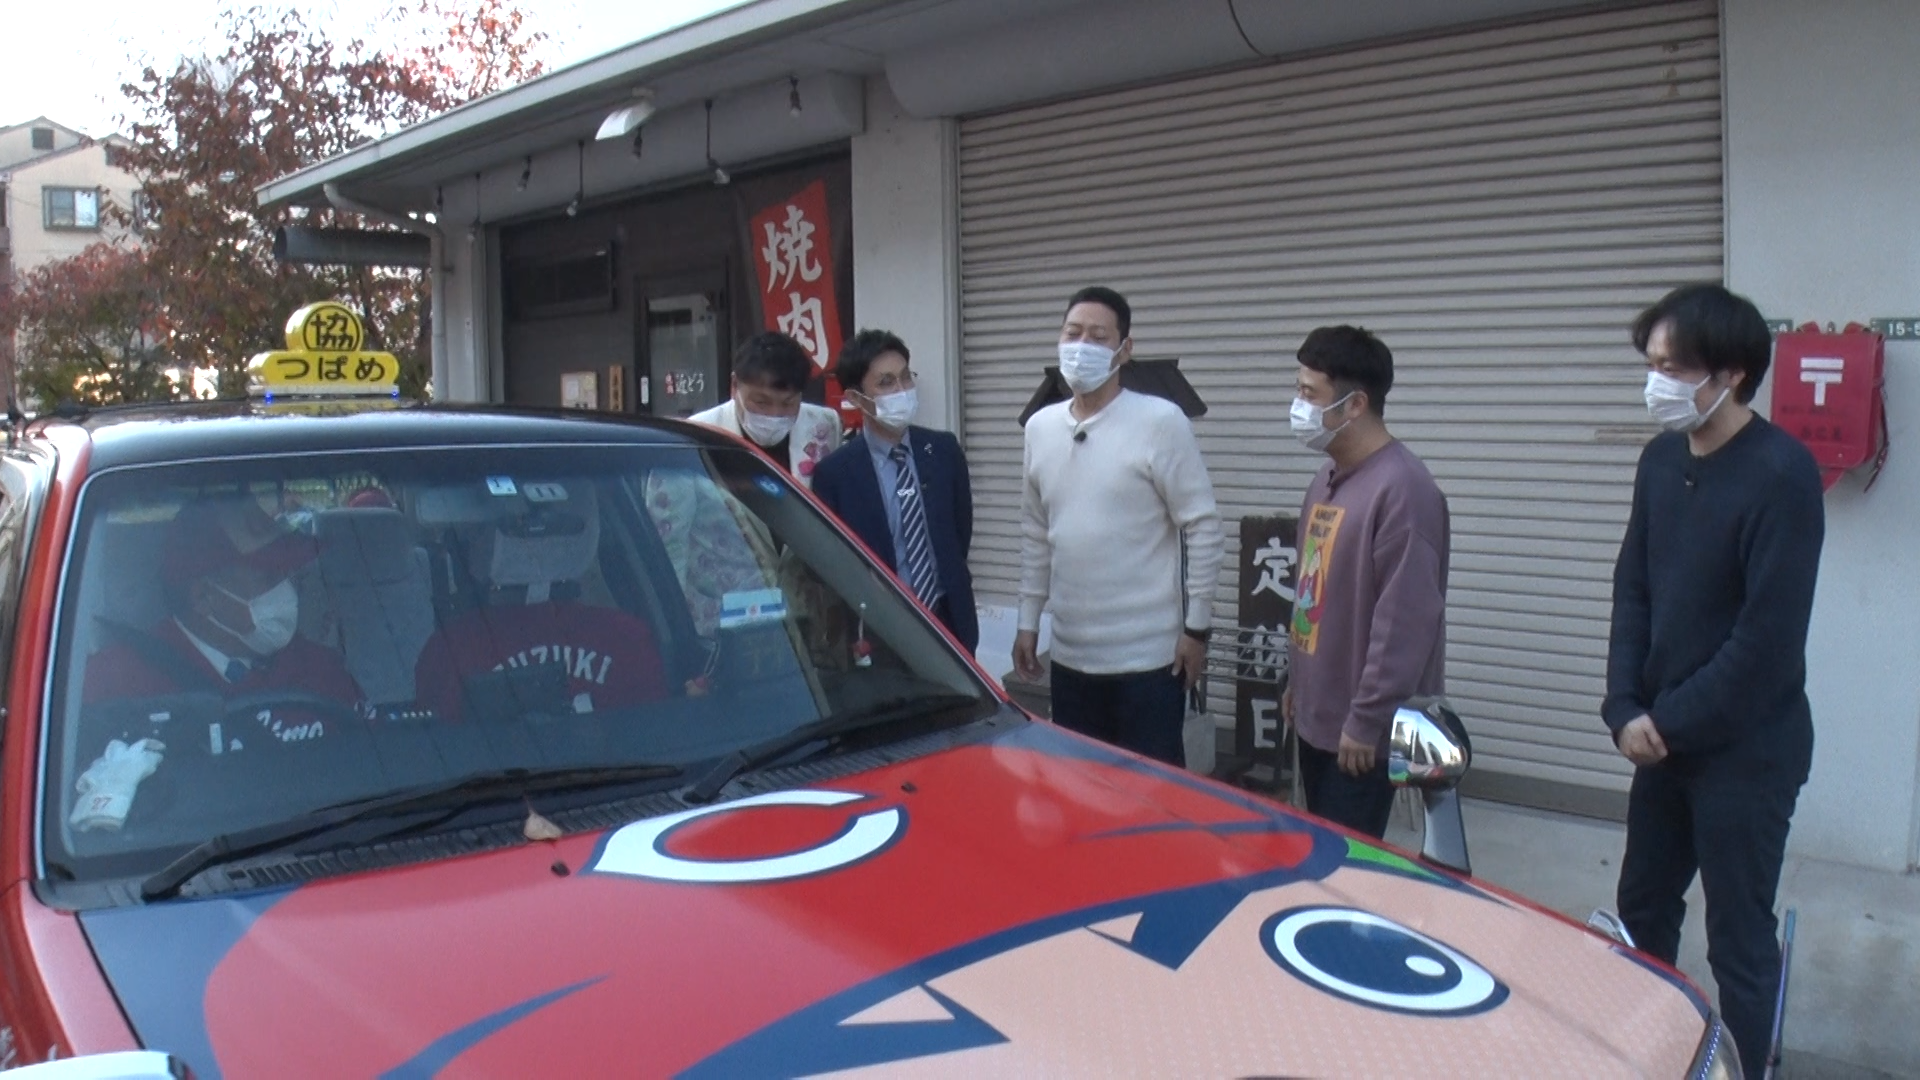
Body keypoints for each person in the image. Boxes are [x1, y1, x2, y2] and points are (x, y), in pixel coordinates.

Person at [1604, 284, 1824, 1077]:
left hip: (1746, 752)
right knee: (1641, 910)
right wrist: (1623, 705)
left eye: (1673, 367)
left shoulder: (1782, 474)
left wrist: (1664, 723)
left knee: (1738, 939)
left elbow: (1765, 645)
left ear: (1730, 374)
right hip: (1660, 739)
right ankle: (1644, 1053)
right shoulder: (1661, 460)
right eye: (1651, 363)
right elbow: (1634, 586)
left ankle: (1747, 1065)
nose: (1655, 382)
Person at [1011, 286, 1223, 765]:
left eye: (1098, 336)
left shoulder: (1161, 421)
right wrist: (1028, 621)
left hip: (1149, 662)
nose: (1082, 346)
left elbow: (1203, 527)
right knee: (1081, 788)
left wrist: (1197, 629)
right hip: (1071, 657)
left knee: (1152, 793)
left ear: (1124, 350)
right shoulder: (1040, 428)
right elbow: (1036, 532)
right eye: (1073, 333)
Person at [76, 497, 363, 828]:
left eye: (289, 575)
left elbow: (371, 759)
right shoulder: (113, 683)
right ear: (203, 597)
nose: (288, 591)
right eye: (269, 577)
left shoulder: (321, 666)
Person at [1280, 326, 1450, 839]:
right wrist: (1297, 683)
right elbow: (1311, 593)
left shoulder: (1404, 490)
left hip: (1359, 737)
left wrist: (1367, 719)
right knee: (1318, 851)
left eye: (1309, 394)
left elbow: (1405, 624)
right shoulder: (1326, 478)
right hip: (1316, 715)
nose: (1298, 406)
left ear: (1355, 405)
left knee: (1347, 864)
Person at [413, 483, 671, 721]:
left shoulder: (449, 650)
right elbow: (656, 734)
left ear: (481, 541)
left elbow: (435, 743)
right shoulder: (629, 638)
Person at [811, 329, 978, 654]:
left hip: (950, 620)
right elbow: (835, 562)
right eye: (886, 383)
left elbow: (960, 532)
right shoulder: (836, 474)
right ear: (857, 398)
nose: (901, 390)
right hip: (880, 630)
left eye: (905, 377)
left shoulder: (943, 451)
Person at [689, 331, 843, 488]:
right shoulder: (698, 432)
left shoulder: (826, 424)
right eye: (761, 402)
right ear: (735, 385)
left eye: (788, 403)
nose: (775, 414)